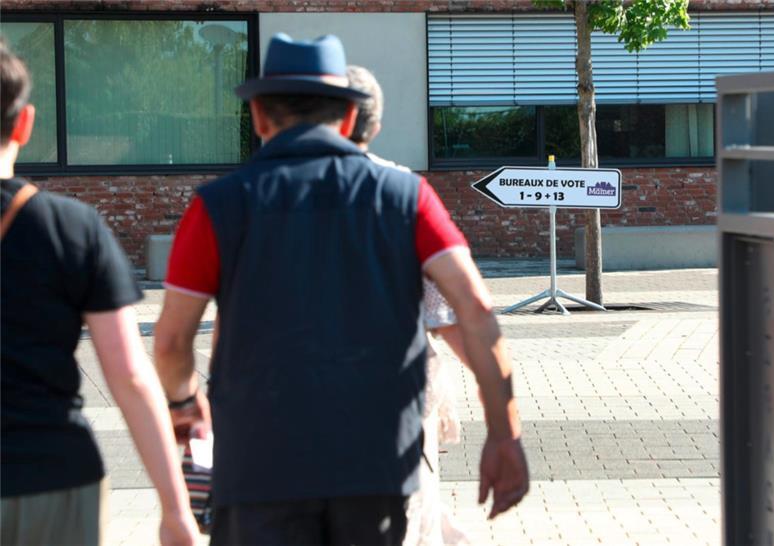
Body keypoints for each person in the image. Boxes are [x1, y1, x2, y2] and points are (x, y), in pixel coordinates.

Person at [154, 33, 528, 546]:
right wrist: (504, 430)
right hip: (376, 472)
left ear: (259, 117)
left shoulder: (217, 207)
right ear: (350, 120)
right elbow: (476, 311)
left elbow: (172, 343)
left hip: (260, 472)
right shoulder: (406, 197)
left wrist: (185, 410)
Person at [0, 40, 198, 546]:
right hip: (52, 479)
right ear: (24, 124)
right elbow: (130, 376)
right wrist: (176, 510)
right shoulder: (69, 228)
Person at [346, 64, 471, 546]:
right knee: (411, 496)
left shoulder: (269, 193)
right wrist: (499, 395)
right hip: (400, 385)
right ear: (374, 127)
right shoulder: (405, 191)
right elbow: (448, 308)